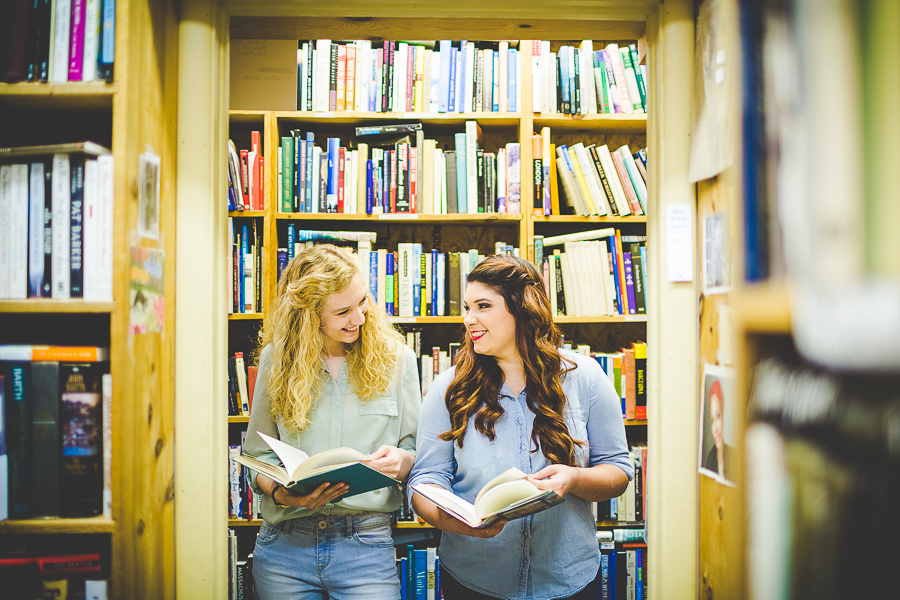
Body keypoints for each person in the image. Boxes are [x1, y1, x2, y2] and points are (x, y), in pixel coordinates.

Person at [408, 255, 634, 600]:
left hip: (569, 578)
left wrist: (574, 479)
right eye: (467, 307)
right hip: (475, 580)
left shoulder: (584, 377)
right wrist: (458, 523)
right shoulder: (447, 387)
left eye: (483, 306)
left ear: (523, 308)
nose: (470, 319)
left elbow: (618, 471)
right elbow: (424, 480)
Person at [243, 244, 421, 599]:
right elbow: (256, 457)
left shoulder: (398, 359)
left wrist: (403, 462)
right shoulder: (275, 360)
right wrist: (282, 493)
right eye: (343, 311)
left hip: (365, 544)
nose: (359, 317)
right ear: (308, 315)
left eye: (362, 302)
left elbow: (416, 451)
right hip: (285, 547)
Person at [703, 379, 734, 479]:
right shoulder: (711, 458)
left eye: (718, 416)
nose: (715, 430)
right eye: (712, 419)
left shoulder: (735, 457)